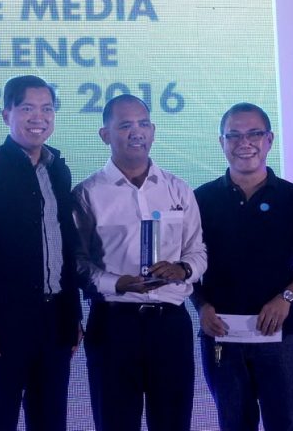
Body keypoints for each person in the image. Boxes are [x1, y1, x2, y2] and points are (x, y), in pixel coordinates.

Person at [0, 75, 82, 431]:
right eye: (27, 108)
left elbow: (64, 246)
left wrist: (73, 316)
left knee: (51, 418)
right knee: (0, 417)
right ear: (6, 113)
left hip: (55, 319)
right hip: (4, 321)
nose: (38, 117)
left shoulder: (59, 169)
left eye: (47, 109)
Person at [72, 94, 207, 431]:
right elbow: (77, 261)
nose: (137, 132)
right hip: (114, 324)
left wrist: (183, 270)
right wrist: (115, 282)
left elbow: (198, 251)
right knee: (115, 422)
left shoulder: (178, 188)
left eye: (143, 124)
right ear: (105, 135)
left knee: (173, 423)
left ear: (153, 131)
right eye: (125, 125)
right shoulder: (87, 193)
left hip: (170, 324)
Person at [192, 103, 293, 430]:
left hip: (279, 334)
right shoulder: (200, 198)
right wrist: (202, 307)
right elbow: (188, 264)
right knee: (234, 423)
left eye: (254, 134)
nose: (244, 142)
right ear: (221, 142)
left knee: (286, 423)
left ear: (269, 139)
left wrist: (286, 299)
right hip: (221, 333)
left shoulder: (292, 197)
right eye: (233, 135)